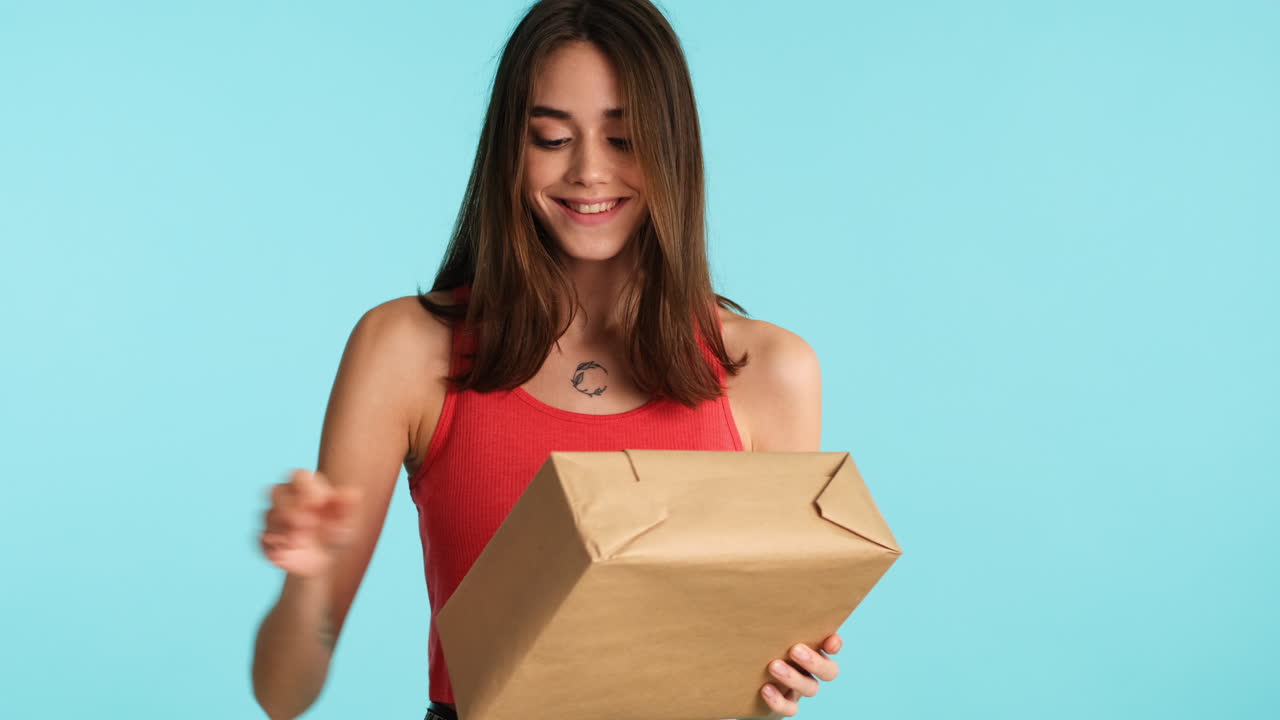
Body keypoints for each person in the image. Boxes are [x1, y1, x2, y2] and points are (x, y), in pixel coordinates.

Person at [251, 1, 842, 718]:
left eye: (624, 139)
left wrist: (778, 681)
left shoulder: (770, 371)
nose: (590, 171)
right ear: (510, 149)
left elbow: (749, 671)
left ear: (673, 150)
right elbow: (284, 695)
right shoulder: (406, 350)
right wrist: (308, 577)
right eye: (553, 138)